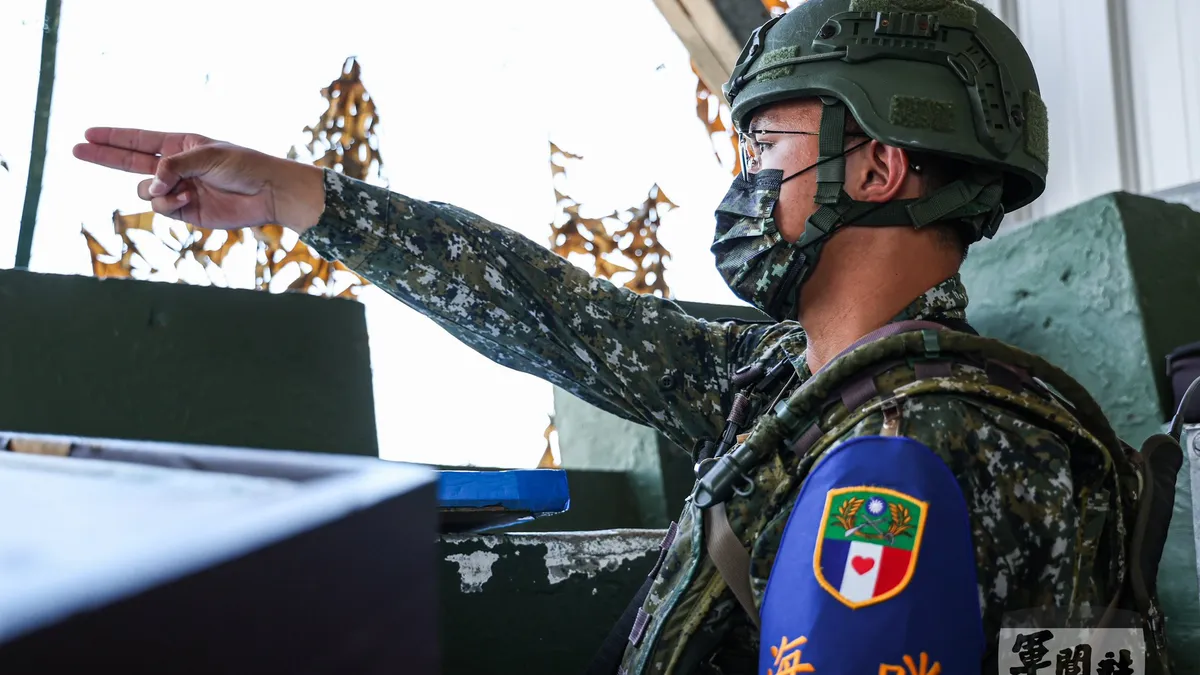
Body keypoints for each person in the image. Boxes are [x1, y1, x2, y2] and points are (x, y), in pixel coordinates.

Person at [74, 1, 1175, 673]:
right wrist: (305, 199)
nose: (740, 186)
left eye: (764, 151)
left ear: (879, 168)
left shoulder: (947, 435)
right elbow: (560, 315)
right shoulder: (786, 390)